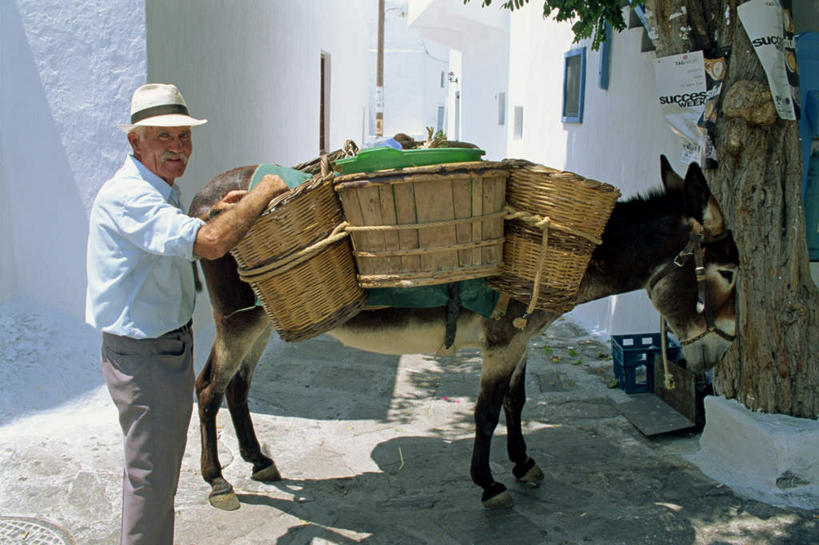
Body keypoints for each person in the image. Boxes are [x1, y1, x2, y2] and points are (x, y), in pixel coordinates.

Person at [85, 83, 287, 545]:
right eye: (163, 136)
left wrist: (215, 211)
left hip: (164, 350)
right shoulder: (130, 196)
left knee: (157, 476)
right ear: (135, 141)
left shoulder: (158, 190)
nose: (177, 147)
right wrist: (262, 194)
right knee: (151, 481)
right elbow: (211, 245)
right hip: (145, 358)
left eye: (184, 136)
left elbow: (177, 235)